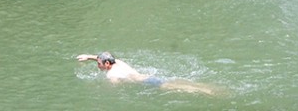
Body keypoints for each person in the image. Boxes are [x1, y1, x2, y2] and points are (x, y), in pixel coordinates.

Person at [76, 52, 216, 95]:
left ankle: (206, 91)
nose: (97, 64)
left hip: (148, 83)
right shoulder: (117, 62)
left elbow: (114, 88)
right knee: (176, 82)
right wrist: (89, 56)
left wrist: (96, 88)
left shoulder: (111, 75)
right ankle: (204, 86)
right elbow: (103, 57)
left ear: (107, 64)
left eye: (99, 63)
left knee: (177, 88)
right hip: (149, 77)